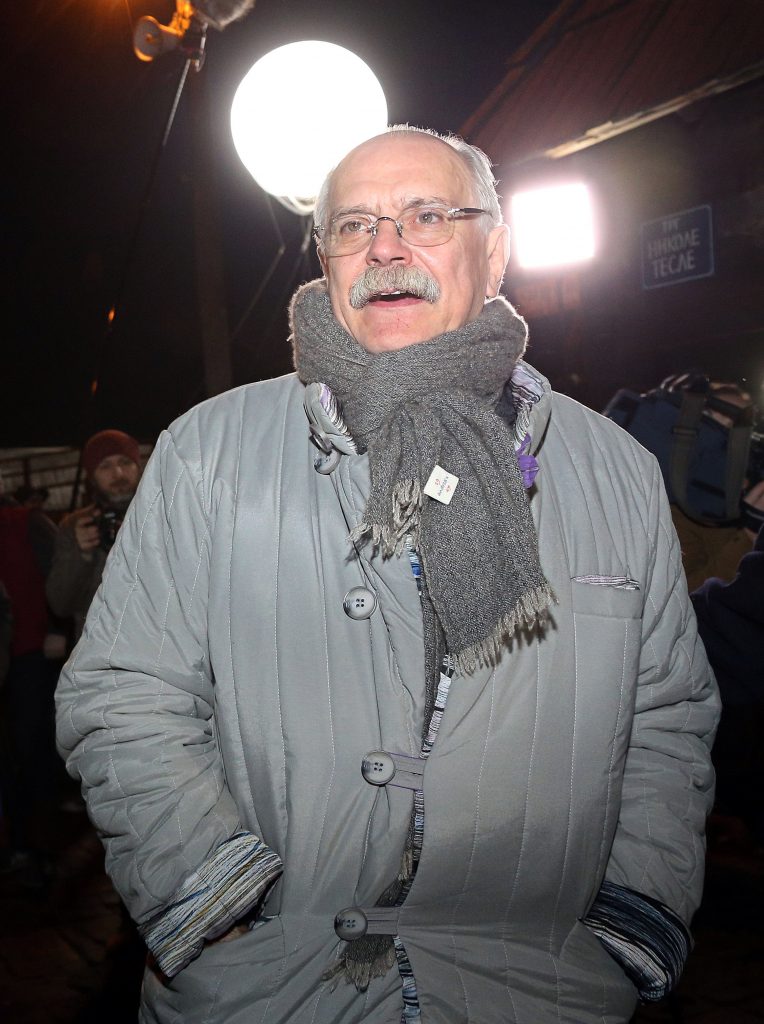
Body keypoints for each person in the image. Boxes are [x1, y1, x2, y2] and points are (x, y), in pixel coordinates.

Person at [55, 127, 718, 1024]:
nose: (386, 247)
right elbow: (124, 691)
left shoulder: (614, 470)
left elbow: (665, 717)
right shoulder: (208, 451)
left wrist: (627, 917)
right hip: (272, 991)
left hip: (540, 994)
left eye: (427, 215)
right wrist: (216, 903)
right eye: (354, 224)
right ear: (325, 261)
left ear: (497, 251)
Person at [46, 429, 142, 642]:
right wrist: (81, 556)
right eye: (105, 466)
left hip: (162, 647)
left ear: (139, 467)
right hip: (101, 650)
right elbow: (60, 604)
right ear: (91, 477)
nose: (118, 473)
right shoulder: (75, 526)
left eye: (125, 462)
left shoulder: (164, 513)